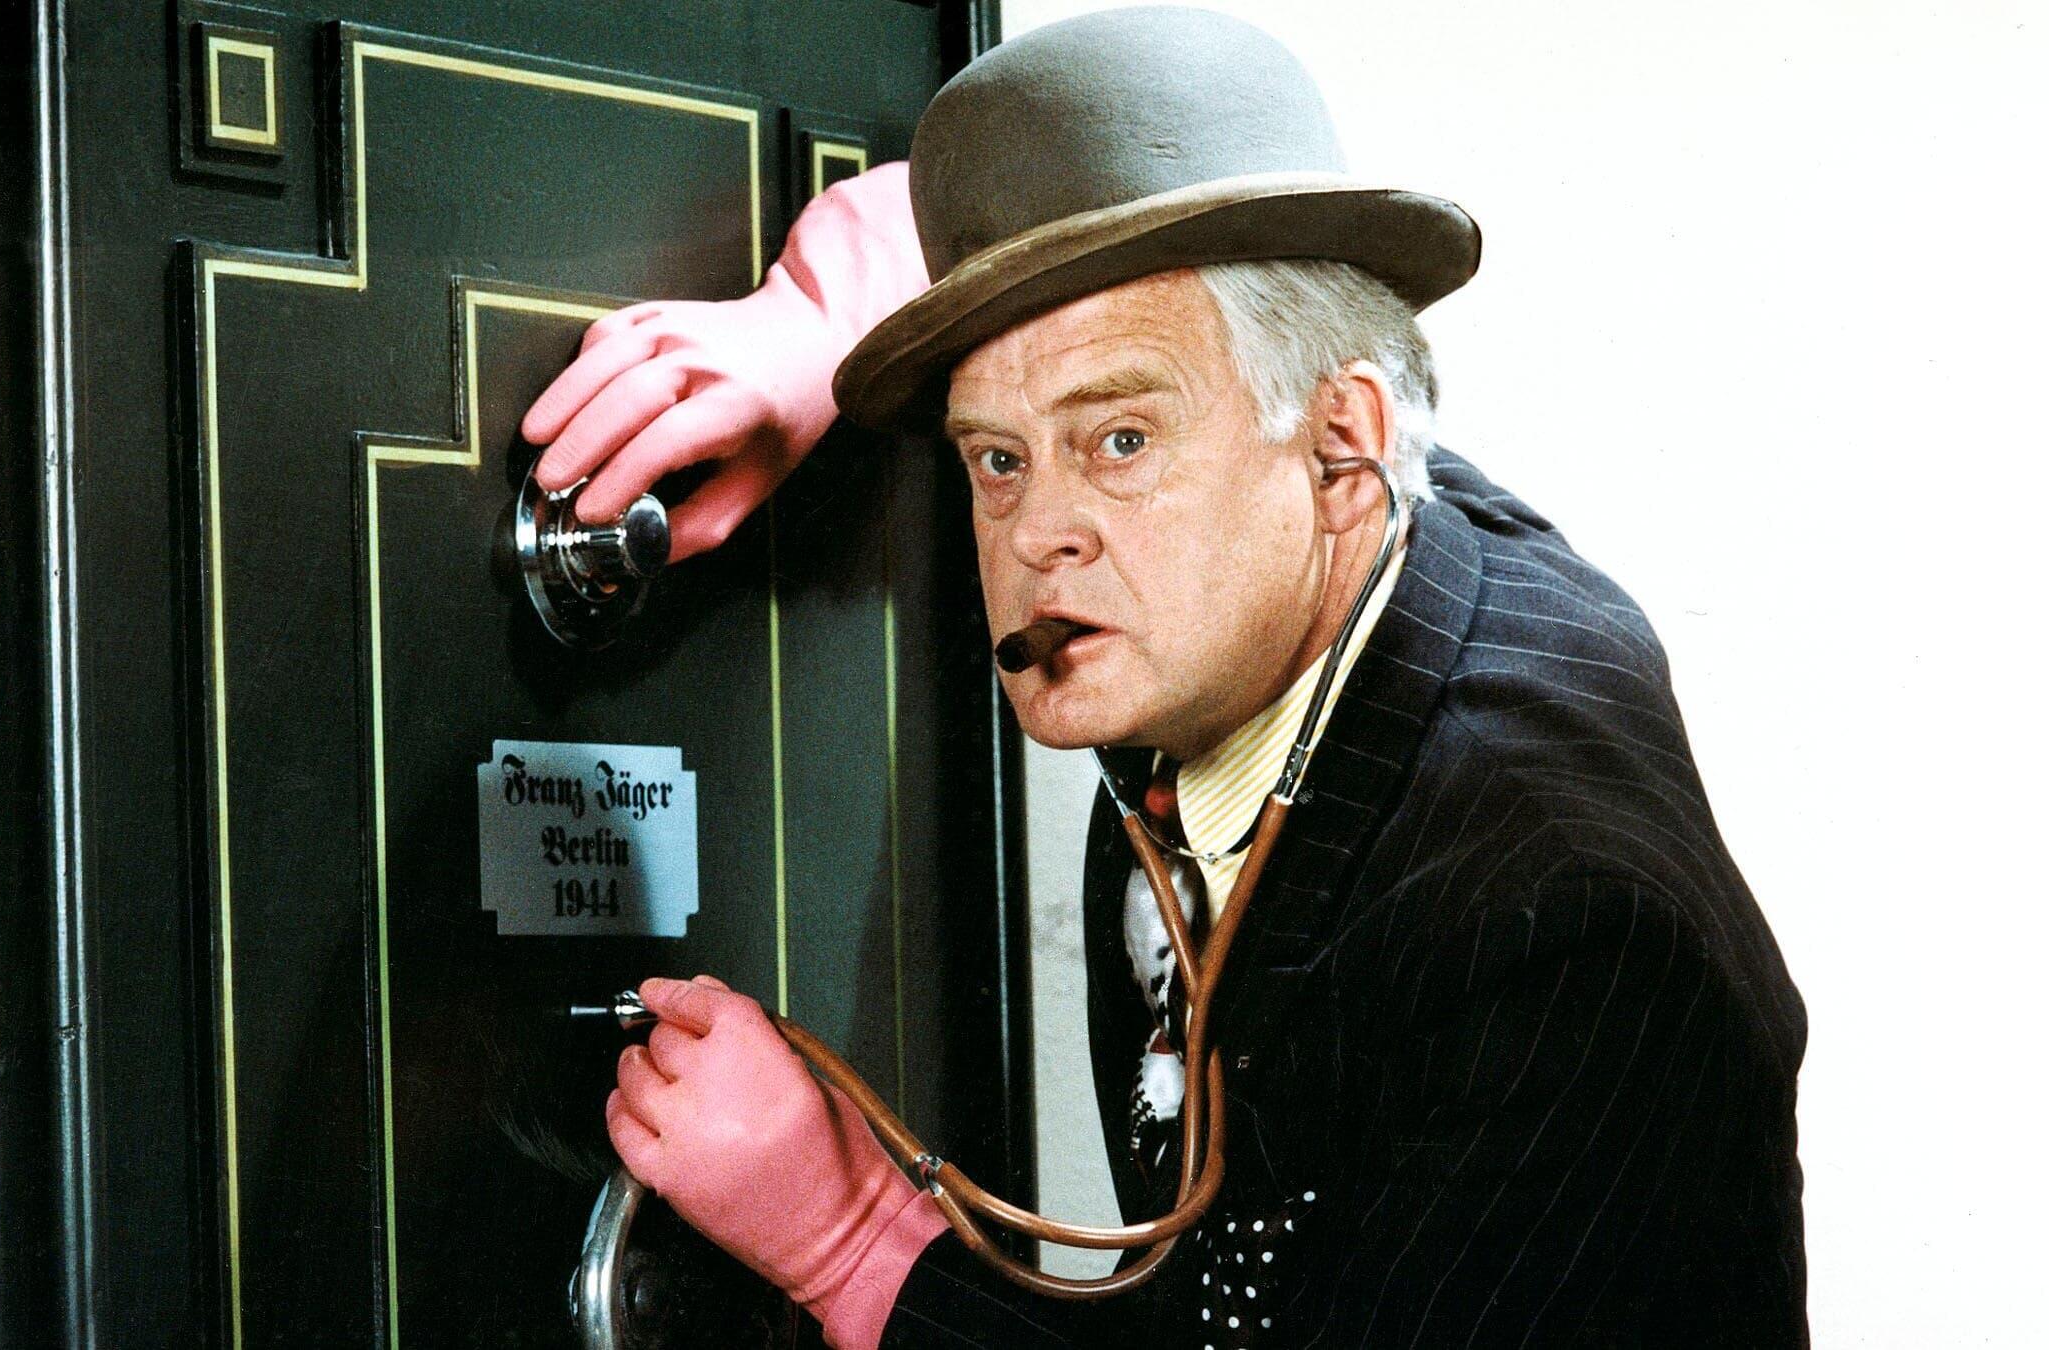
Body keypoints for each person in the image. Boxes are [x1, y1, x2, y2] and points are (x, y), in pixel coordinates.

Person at [529, 8, 1807, 1347]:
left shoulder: (1554, 929)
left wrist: (854, 1242)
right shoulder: (1320, 524)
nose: (1038, 533)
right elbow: (1082, 218)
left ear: (1342, 443)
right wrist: (826, 320)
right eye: (995, 458)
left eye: (1122, 441)